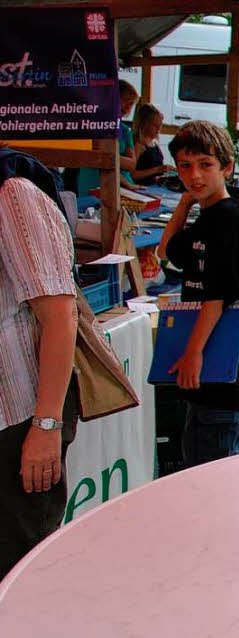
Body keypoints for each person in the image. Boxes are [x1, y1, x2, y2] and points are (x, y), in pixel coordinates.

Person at [158, 121, 239, 468]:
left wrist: (193, 353)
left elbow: (218, 296)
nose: (195, 176)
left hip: (224, 377)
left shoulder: (228, 219)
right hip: (216, 379)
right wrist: (185, 204)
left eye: (205, 165)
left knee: (211, 474)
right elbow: (167, 250)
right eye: (185, 167)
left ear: (226, 167)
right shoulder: (208, 216)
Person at [0, 149, 78, 579]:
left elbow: (60, 318)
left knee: (18, 572)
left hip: (17, 423)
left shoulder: (12, 194)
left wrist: (46, 428)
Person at [76, 80, 142, 196]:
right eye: (125, 101)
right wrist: (114, 159)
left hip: (124, 187)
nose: (127, 107)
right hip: (94, 183)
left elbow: (131, 164)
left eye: (131, 104)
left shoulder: (125, 130)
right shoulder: (93, 124)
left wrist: (109, 156)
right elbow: (95, 157)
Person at [131, 103, 173, 184]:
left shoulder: (154, 143)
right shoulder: (139, 144)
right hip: (142, 187)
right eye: (154, 125)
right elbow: (132, 175)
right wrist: (157, 169)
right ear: (145, 124)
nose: (158, 129)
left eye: (160, 125)